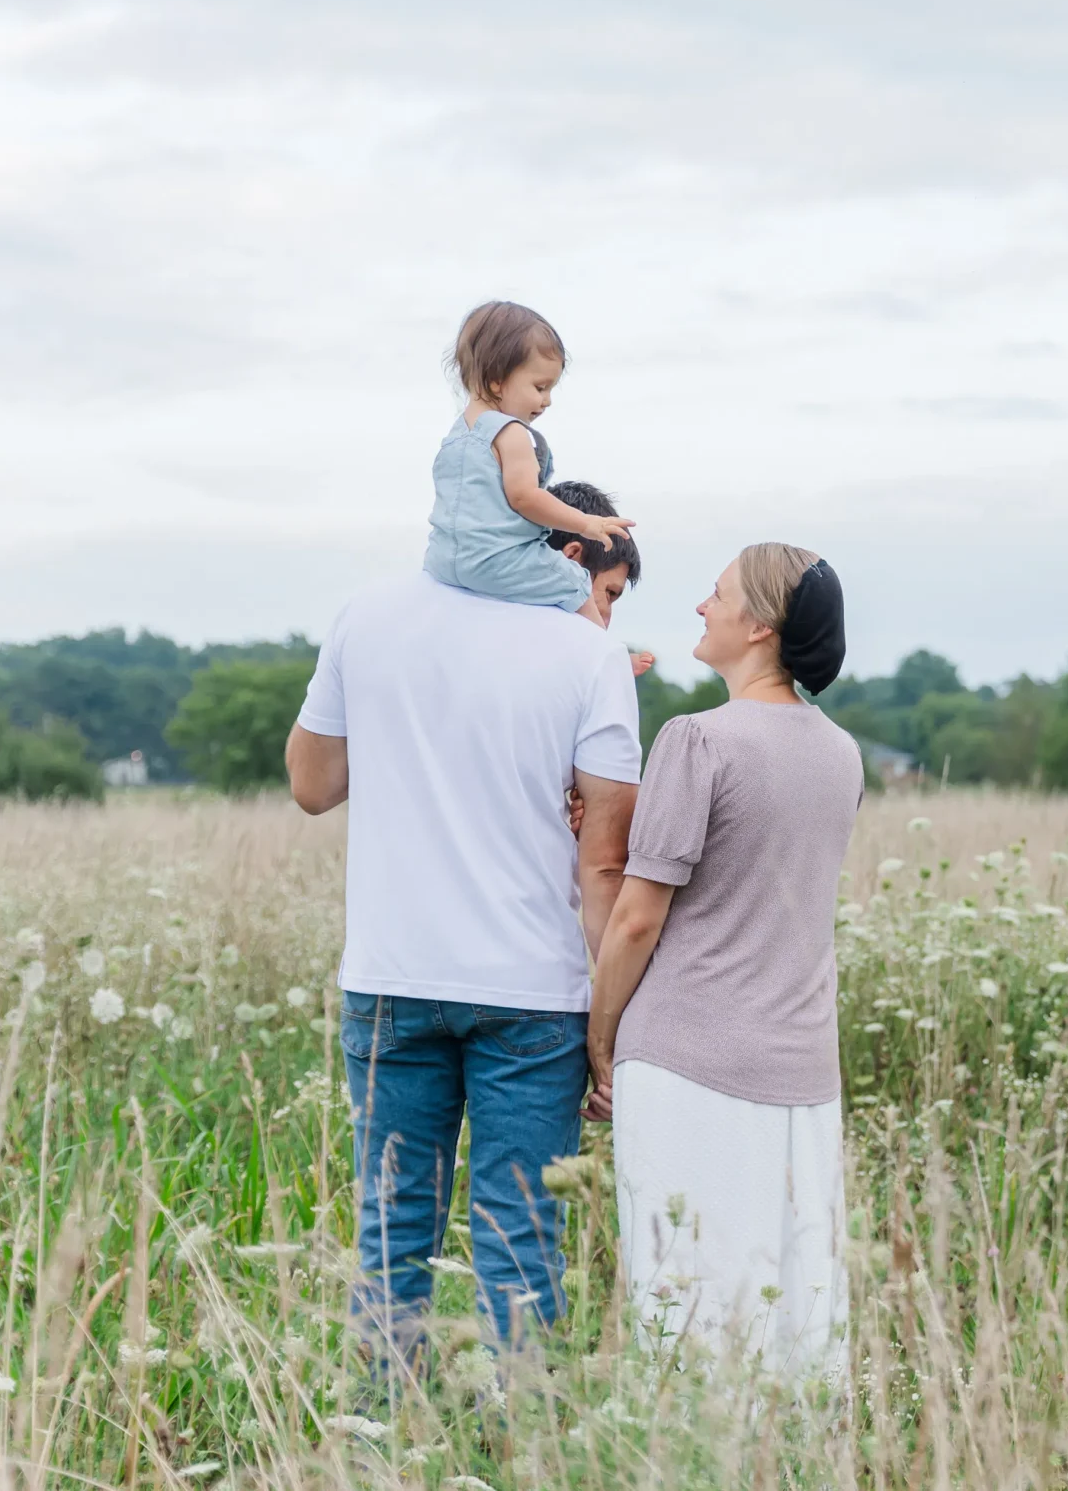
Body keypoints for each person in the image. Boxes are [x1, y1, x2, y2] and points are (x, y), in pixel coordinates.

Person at [285, 496, 643, 1359]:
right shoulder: (587, 654)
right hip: (529, 989)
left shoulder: (367, 616)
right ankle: (525, 1457)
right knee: (520, 1238)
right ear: (564, 544)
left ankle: (375, 1450)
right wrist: (610, 1026)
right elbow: (603, 863)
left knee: (391, 1232)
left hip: (391, 974)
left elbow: (311, 783)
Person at [586, 544, 862, 1375]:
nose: (701, 607)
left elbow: (637, 917)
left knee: (685, 1301)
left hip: (688, 1063)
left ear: (760, 627)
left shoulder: (698, 740)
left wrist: (600, 1041)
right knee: (794, 1305)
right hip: (802, 1068)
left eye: (717, 595)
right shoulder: (840, 751)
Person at [423, 300, 636, 619]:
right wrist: (586, 523)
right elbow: (525, 497)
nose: (547, 401)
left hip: (440, 560)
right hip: (495, 559)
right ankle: (600, 654)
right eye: (540, 387)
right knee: (574, 582)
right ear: (497, 379)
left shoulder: (455, 437)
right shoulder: (510, 433)